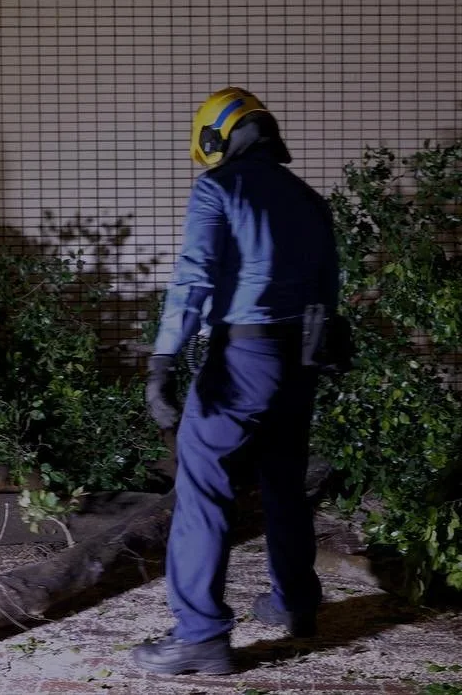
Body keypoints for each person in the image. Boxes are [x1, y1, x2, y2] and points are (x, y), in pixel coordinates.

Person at [132, 87, 341, 675]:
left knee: (203, 486)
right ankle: (295, 603)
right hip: (298, 361)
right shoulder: (309, 201)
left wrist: (164, 361)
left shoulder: (218, 188)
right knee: (284, 483)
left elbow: (194, 278)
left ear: (216, 138)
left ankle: (199, 635)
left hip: (241, 357)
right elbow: (329, 292)